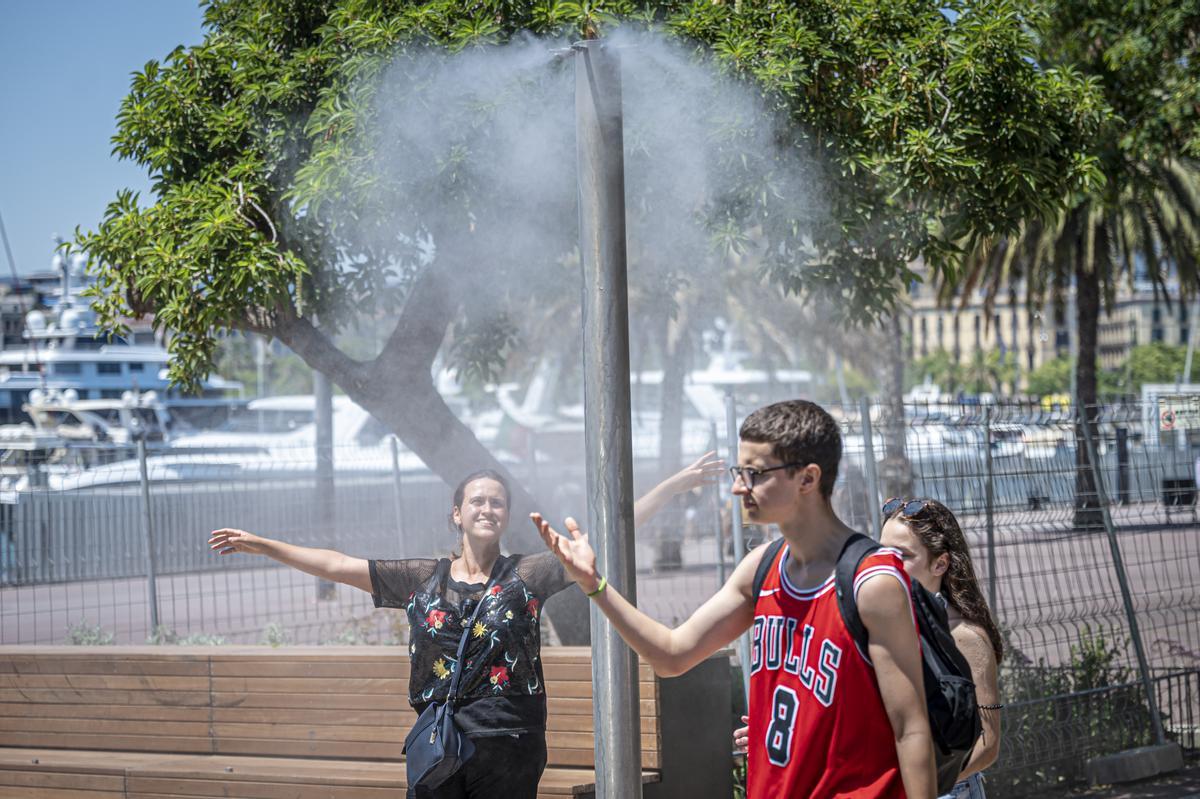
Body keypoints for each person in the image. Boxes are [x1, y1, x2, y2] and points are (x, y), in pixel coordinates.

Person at [208, 452, 722, 799]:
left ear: (506, 516)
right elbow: (335, 563)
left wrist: (677, 484)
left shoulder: (528, 573)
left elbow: (611, 532)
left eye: (497, 502)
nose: (487, 507)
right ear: (457, 514)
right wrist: (263, 545)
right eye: (477, 500)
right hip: (443, 740)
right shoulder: (419, 579)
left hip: (511, 740)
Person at [532, 400, 937, 799]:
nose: (737, 486)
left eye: (754, 474)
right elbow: (672, 655)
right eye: (738, 471)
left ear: (808, 479)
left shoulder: (873, 580)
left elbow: (911, 727)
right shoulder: (760, 567)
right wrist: (595, 586)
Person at [733, 497, 1004, 798]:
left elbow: (988, 745)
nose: (887, 563)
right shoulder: (875, 625)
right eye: (882, 551)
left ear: (940, 563)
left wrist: (913, 782)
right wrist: (780, 733)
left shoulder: (965, 637)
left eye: (902, 555)